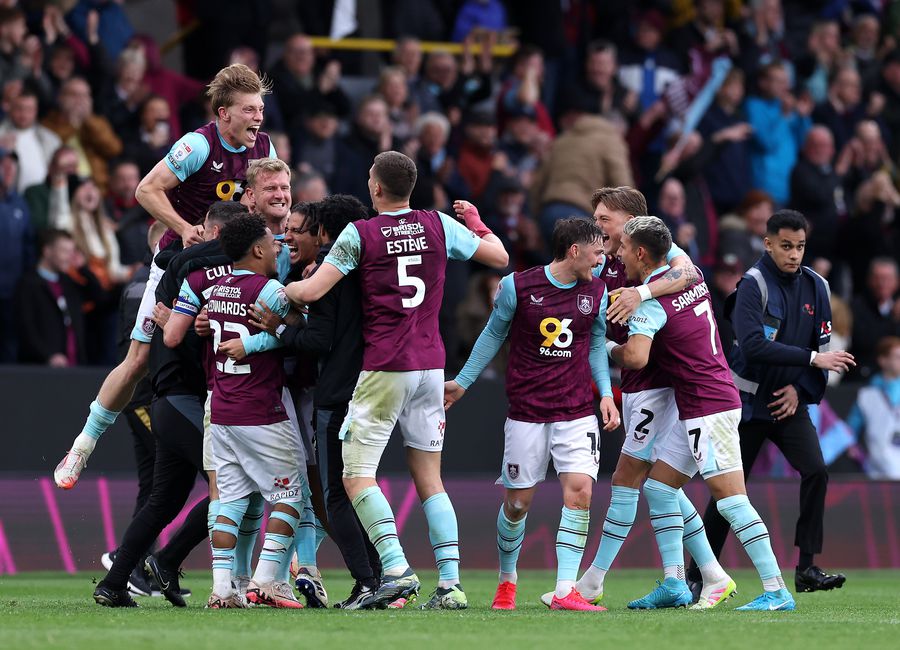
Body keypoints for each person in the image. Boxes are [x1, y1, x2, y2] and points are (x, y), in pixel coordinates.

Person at [284, 151, 509, 609]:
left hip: (386, 367)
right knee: (430, 479)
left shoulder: (360, 233)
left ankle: (396, 569)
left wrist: (275, 290)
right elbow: (500, 256)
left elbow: (310, 292)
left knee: (355, 476)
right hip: (431, 367)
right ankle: (450, 585)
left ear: (376, 188)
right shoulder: (437, 224)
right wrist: (478, 221)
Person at [53, 63, 276, 491]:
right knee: (138, 360)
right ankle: (83, 444)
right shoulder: (196, 145)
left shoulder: (263, 146)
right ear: (223, 113)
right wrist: (184, 226)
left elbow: (265, 196)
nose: (258, 118)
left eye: (260, 109)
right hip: (177, 265)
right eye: (249, 110)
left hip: (232, 268)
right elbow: (145, 190)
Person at [556, 186, 733, 611]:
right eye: (595, 219)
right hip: (641, 383)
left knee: (628, 480)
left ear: (630, 223)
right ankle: (694, 575)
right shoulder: (603, 263)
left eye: (604, 219)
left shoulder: (657, 257)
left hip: (656, 380)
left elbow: (689, 273)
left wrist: (643, 294)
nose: (597, 226)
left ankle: (594, 582)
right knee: (659, 486)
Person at [610, 215, 795, 611]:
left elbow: (637, 358)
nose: (618, 253)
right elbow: (685, 273)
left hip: (708, 409)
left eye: (623, 247)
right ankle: (676, 583)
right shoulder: (691, 279)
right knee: (659, 488)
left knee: (730, 500)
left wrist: (605, 349)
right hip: (698, 404)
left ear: (640, 253)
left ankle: (777, 590)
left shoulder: (651, 305)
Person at [445, 218, 618, 611]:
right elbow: (492, 334)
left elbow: (594, 344)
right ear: (574, 251)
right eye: (596, 251)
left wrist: (605, 393)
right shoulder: (517, 287)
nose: (601, 259)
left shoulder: (598, 290)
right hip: (527, 412)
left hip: (575, 411)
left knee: (580, 494)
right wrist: (464, 382)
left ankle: (563, 591)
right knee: (517, 504)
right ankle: (507, 578)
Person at [688, 210, 854, 596]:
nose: (794, 254)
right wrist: (811, 362)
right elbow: (753, 346)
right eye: (785, 246)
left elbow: (824, 349)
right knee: (730, 491)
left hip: (787, 402)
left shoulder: (819, 288)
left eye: (799, 247)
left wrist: (801, 389)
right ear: (767, 244)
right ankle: (698, 576)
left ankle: (807, 567)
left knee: (816, 471)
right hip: (744, 403)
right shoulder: (753, 285)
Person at [92, 202, 248, 608]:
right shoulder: (204, 275)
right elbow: (184, 338)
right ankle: (167, 561)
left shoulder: (173, 273)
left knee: (164, 499)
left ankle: (113, 582)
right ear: (225, 236)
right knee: (235, 483)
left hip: (171, 402)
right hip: (183, 401)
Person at [249, 194, 384, 609]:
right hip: (376, 387)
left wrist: (279, 328)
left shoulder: (325, 275)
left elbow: (318, 340)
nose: (289, 236)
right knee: (359, 488)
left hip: (334, 393)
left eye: (301, 228)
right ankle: (380, 577)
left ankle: (367, 581)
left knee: (334, 495)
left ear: (325, 232)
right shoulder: (375, 270)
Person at [196, 214, 306, 610]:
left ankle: (222, 589)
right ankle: (264, 580)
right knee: (292, 495)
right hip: (260, 410)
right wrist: (282, 327)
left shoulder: (216, 290)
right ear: (258, 250)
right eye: (272, 243)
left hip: (223, 412)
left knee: (229, 502)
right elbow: (302, 332)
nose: (279, 247)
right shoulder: (272, 291)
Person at [14, 229, 85, 366]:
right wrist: (47, 355)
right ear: (47, 251)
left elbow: (100, 298)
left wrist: (83, 268)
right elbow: (26, 328)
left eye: (72, 252)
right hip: (41, 370)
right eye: (64, 251)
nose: (70, 257)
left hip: (75, 367)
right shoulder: (28, 284)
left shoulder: (69, 283)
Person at [847, 336, 900, 480]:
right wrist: (852, 446)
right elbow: (852, 427)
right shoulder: (867, 394)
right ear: (883, 360)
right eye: (897, 357)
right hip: (877, 468)